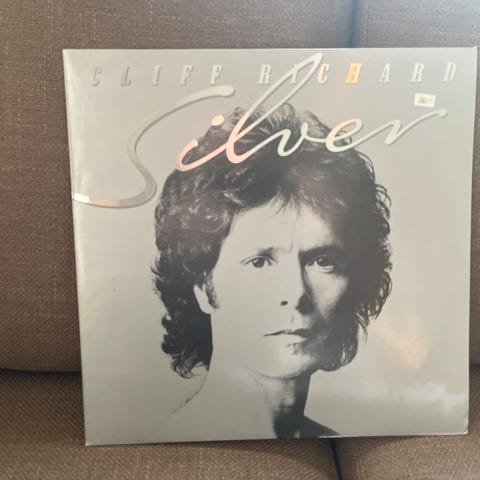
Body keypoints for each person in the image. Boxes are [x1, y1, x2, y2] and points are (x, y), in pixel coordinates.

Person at [153, 103, 392, 440]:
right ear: (203, 287)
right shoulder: (166, 444)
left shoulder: (337, 442)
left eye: (323, 261)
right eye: (260, 261)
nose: (295, 293)